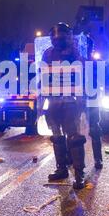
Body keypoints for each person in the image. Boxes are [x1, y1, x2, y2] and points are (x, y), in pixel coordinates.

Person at [43, 23, 86, 190]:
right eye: (55, 36)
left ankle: (79, 173)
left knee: (74, 137)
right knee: (56, 136)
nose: (57, 39)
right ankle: (61, 168)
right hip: (53, 99)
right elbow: (44, 75)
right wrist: (42, 95)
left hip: (70, 100)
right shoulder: (48, 53)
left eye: (61, 36)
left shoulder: (75, 53)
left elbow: (82, 75)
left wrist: (80, 98)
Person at [86, 36, 103, 170]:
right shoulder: (77, 61)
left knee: (94, 129)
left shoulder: (95, 63)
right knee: (72, 129)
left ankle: (98, 158)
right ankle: (98, 159)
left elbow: (100, 81)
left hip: (91, 99)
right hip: (81, 99)